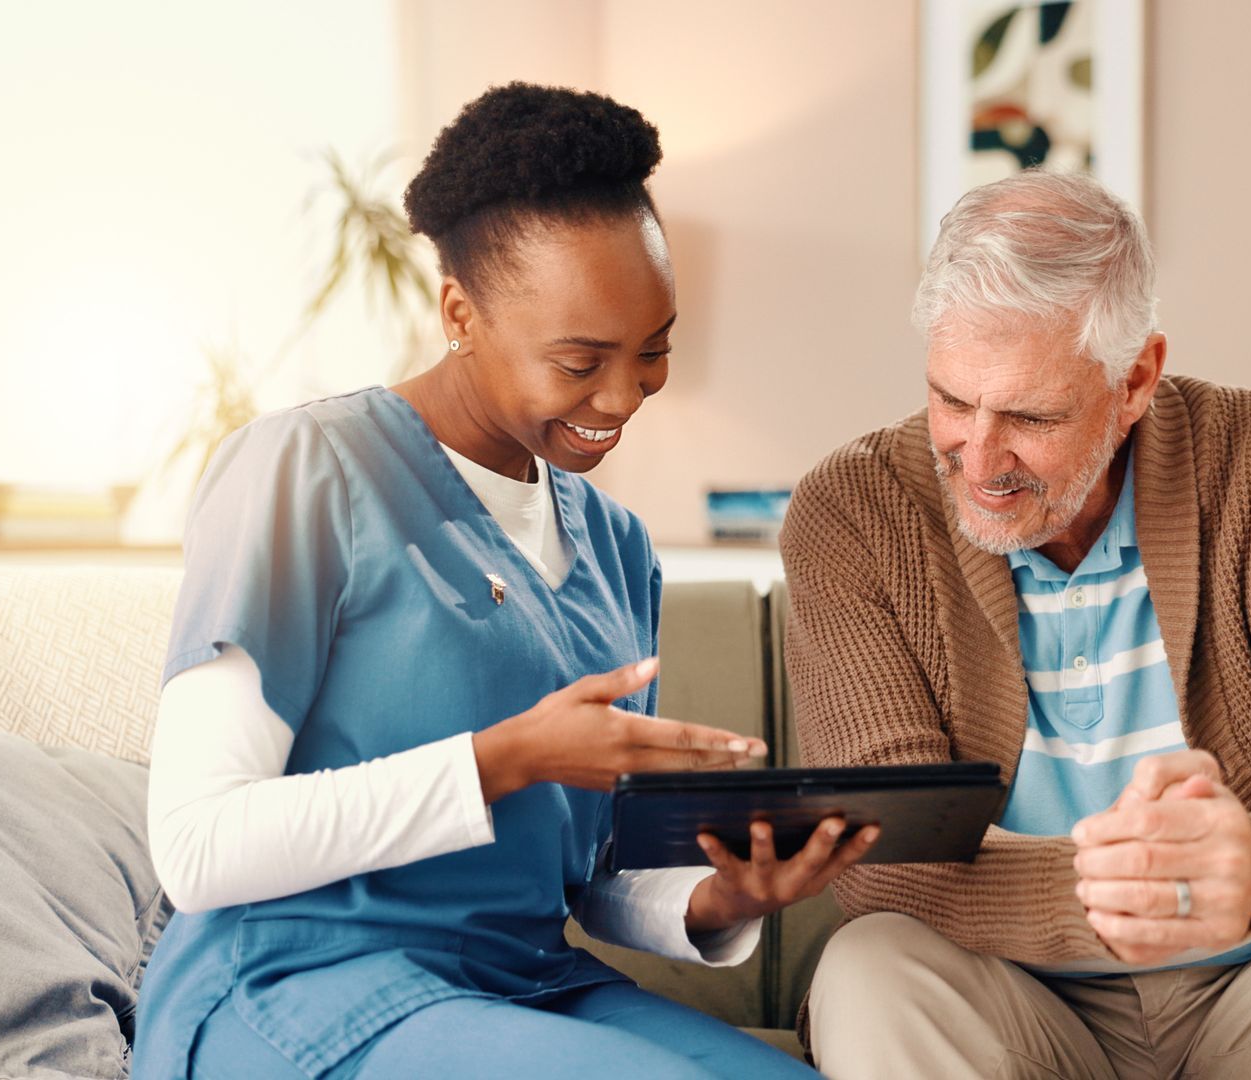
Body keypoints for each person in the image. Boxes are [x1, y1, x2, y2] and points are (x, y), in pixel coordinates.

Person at [131, 83, 872, 1080]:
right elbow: (197, 843)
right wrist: (504, 758)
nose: (622, 396)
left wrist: (722, 901)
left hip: (525, 983)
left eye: (653, 350)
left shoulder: (615, 544)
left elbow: (591, 870)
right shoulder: (308, 471)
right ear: (460, 313)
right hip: (297, 984)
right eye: (579, 361)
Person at [779, 169, 1251, 1079]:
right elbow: (883, 855)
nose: (979, 458)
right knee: (869, 970)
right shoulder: (854, 509)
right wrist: (1147, 892)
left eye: (1030, 414)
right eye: (950, 399)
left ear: (1135, 378)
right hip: (1013, 995)